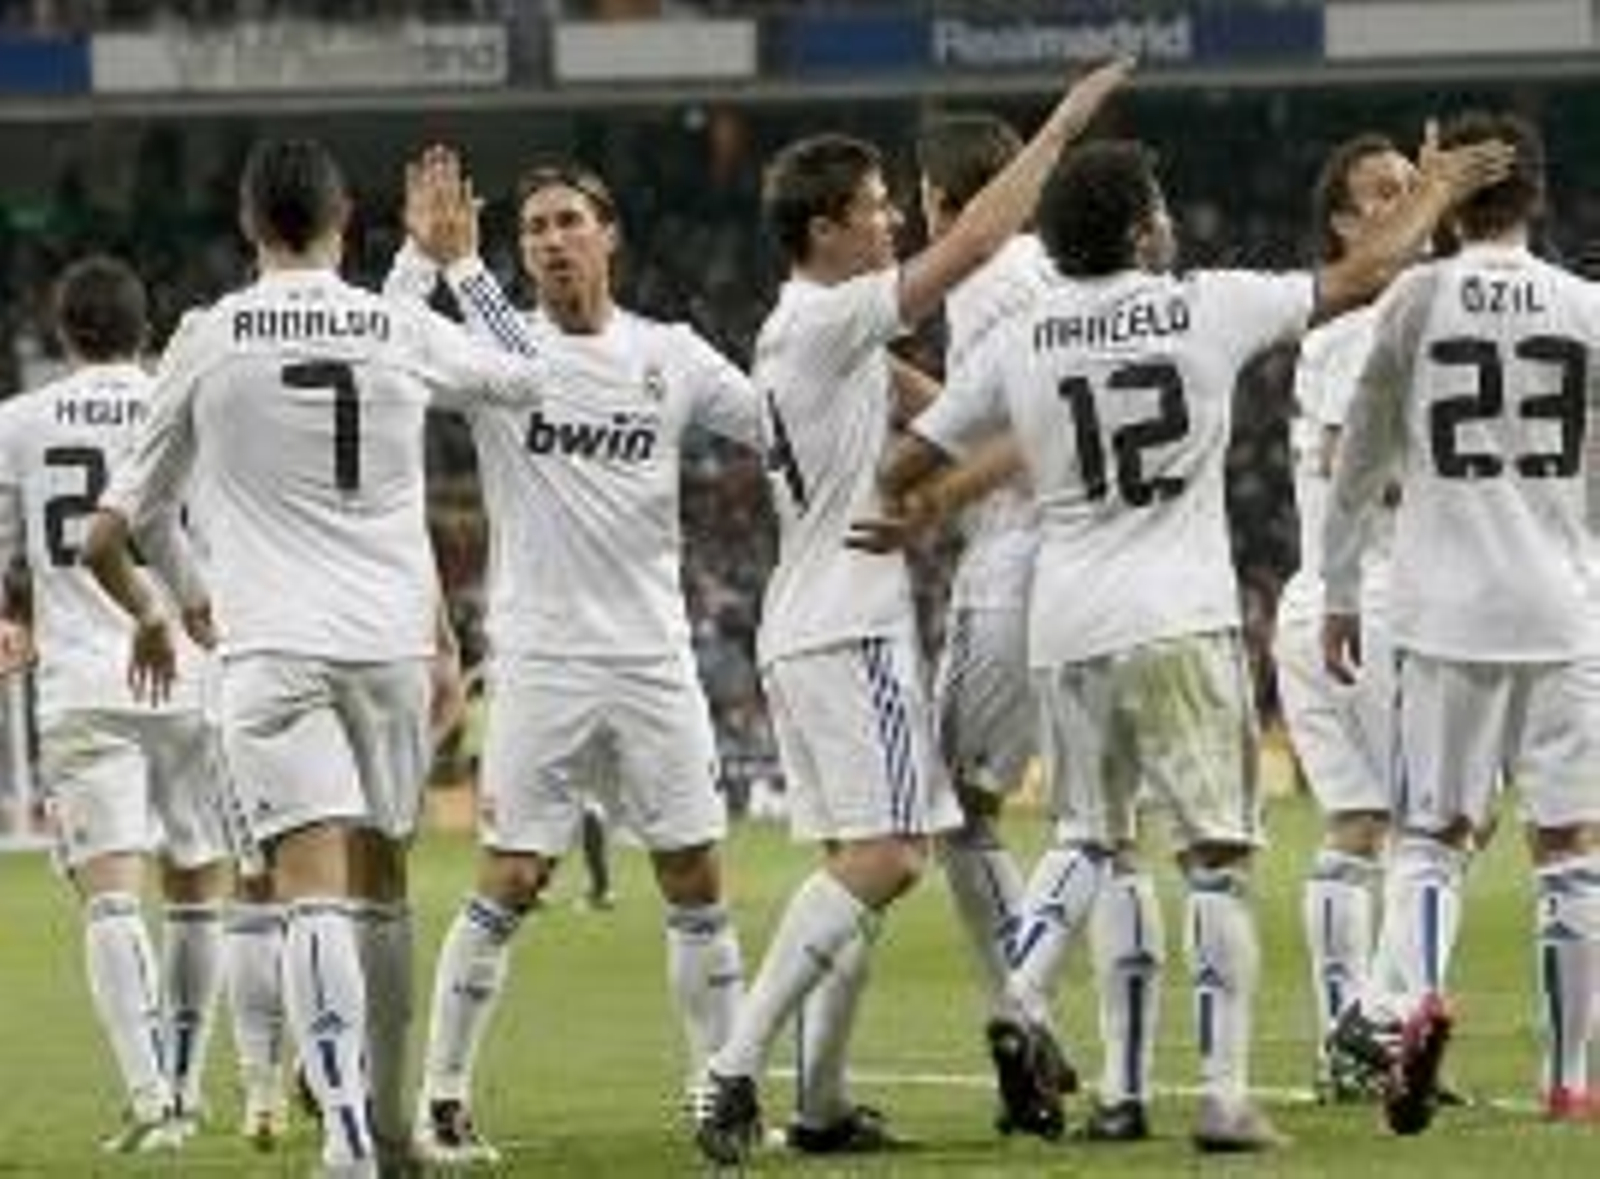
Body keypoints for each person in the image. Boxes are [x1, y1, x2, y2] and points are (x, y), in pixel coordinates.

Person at [875, 128, 1510, 1151]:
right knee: (1215, 862)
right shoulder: (1202, 304)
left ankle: (1019, 994)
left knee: (1085, 838)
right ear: (1140, 226)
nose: (1170, 216)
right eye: (1158, 202)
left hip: (1065, 625)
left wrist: (911, 504)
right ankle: (1221, 1098)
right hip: (1179, 616)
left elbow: (912, 458)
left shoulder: (1020, 336)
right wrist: (1430, 193)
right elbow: (1359, 276)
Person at [690, 58, 1135, 1168]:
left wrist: (964, 461)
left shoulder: (798, 326)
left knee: (866, 864)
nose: (893, 214)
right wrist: (1064, 124)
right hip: (850, 626)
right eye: (877, 202)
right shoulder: (839, 311)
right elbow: (979, 240)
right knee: (894, 857)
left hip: (803, 623)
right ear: (830, 227)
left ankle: (822, 1105)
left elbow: (917, 399)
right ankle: (734, 1067)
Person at [83, 137, 550, 1178]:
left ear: (250, 225)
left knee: (308, 893)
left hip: (269, 651)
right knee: (384, 889)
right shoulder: (397, 323)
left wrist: (181, 606)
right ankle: (390, 1135)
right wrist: (457, 263)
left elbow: (111, 531)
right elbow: (529, 378)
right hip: (388, 648)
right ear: (348, 222)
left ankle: (343, 1142)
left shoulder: (208, 337)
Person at [386, 148, 754, 1166]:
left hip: (652, 659)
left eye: (567, 222)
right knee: (510, 876)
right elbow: (385, 340)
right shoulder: (495, 357)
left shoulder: (671, 354)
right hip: (542, 660)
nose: (550, 239)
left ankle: (717, 1088)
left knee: (695, 874)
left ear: (609, 234)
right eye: (534, 228)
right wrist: (427, 260)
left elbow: (772, 424)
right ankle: (445, 1098)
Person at [1323, 110, 1600, 1133]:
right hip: (1564, 606)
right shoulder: (1586, 307)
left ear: (1450, 189)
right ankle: (1568, 1080)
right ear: (1534, 194)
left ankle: (1416, 1008)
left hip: (1444, 610)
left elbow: (1358, 457)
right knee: (1570, 849)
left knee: (1431, 838)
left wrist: (1339, 587)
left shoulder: (1412, 300)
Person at [914, 112, 1166, 1142]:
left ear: (942, 197)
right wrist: (901, 385)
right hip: (1110, 571)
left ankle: (1026, 1007)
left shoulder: (982, 277)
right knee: (1103, 830)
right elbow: (1002, 405)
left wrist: (927, 492)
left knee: (957, 807)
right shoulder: (1050, 271)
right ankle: (1112, 1066)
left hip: (1016, 565)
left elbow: (1021, 428)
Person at [0, 255, 232, 1154]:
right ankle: (187, 1079)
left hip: (84, 687)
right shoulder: (184, 406)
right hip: (187, 672)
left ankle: (151, 1104)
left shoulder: (17, 421)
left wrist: (9, 619)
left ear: (62, 332)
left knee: (109, 902)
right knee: (197, 890)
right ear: (145, 328)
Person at [1272, 133, 1417, 1100]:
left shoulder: (1371, 325)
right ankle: (1373, 1020)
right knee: (1444, 829)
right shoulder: (1358, 331)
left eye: (1414, 182)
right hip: (1369, 609)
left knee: (1358, 825)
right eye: (1383, 190)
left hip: (1318, 607)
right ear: (1343, 223)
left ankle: (1346, 1039)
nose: (1408, 196)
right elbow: (1344, 462)